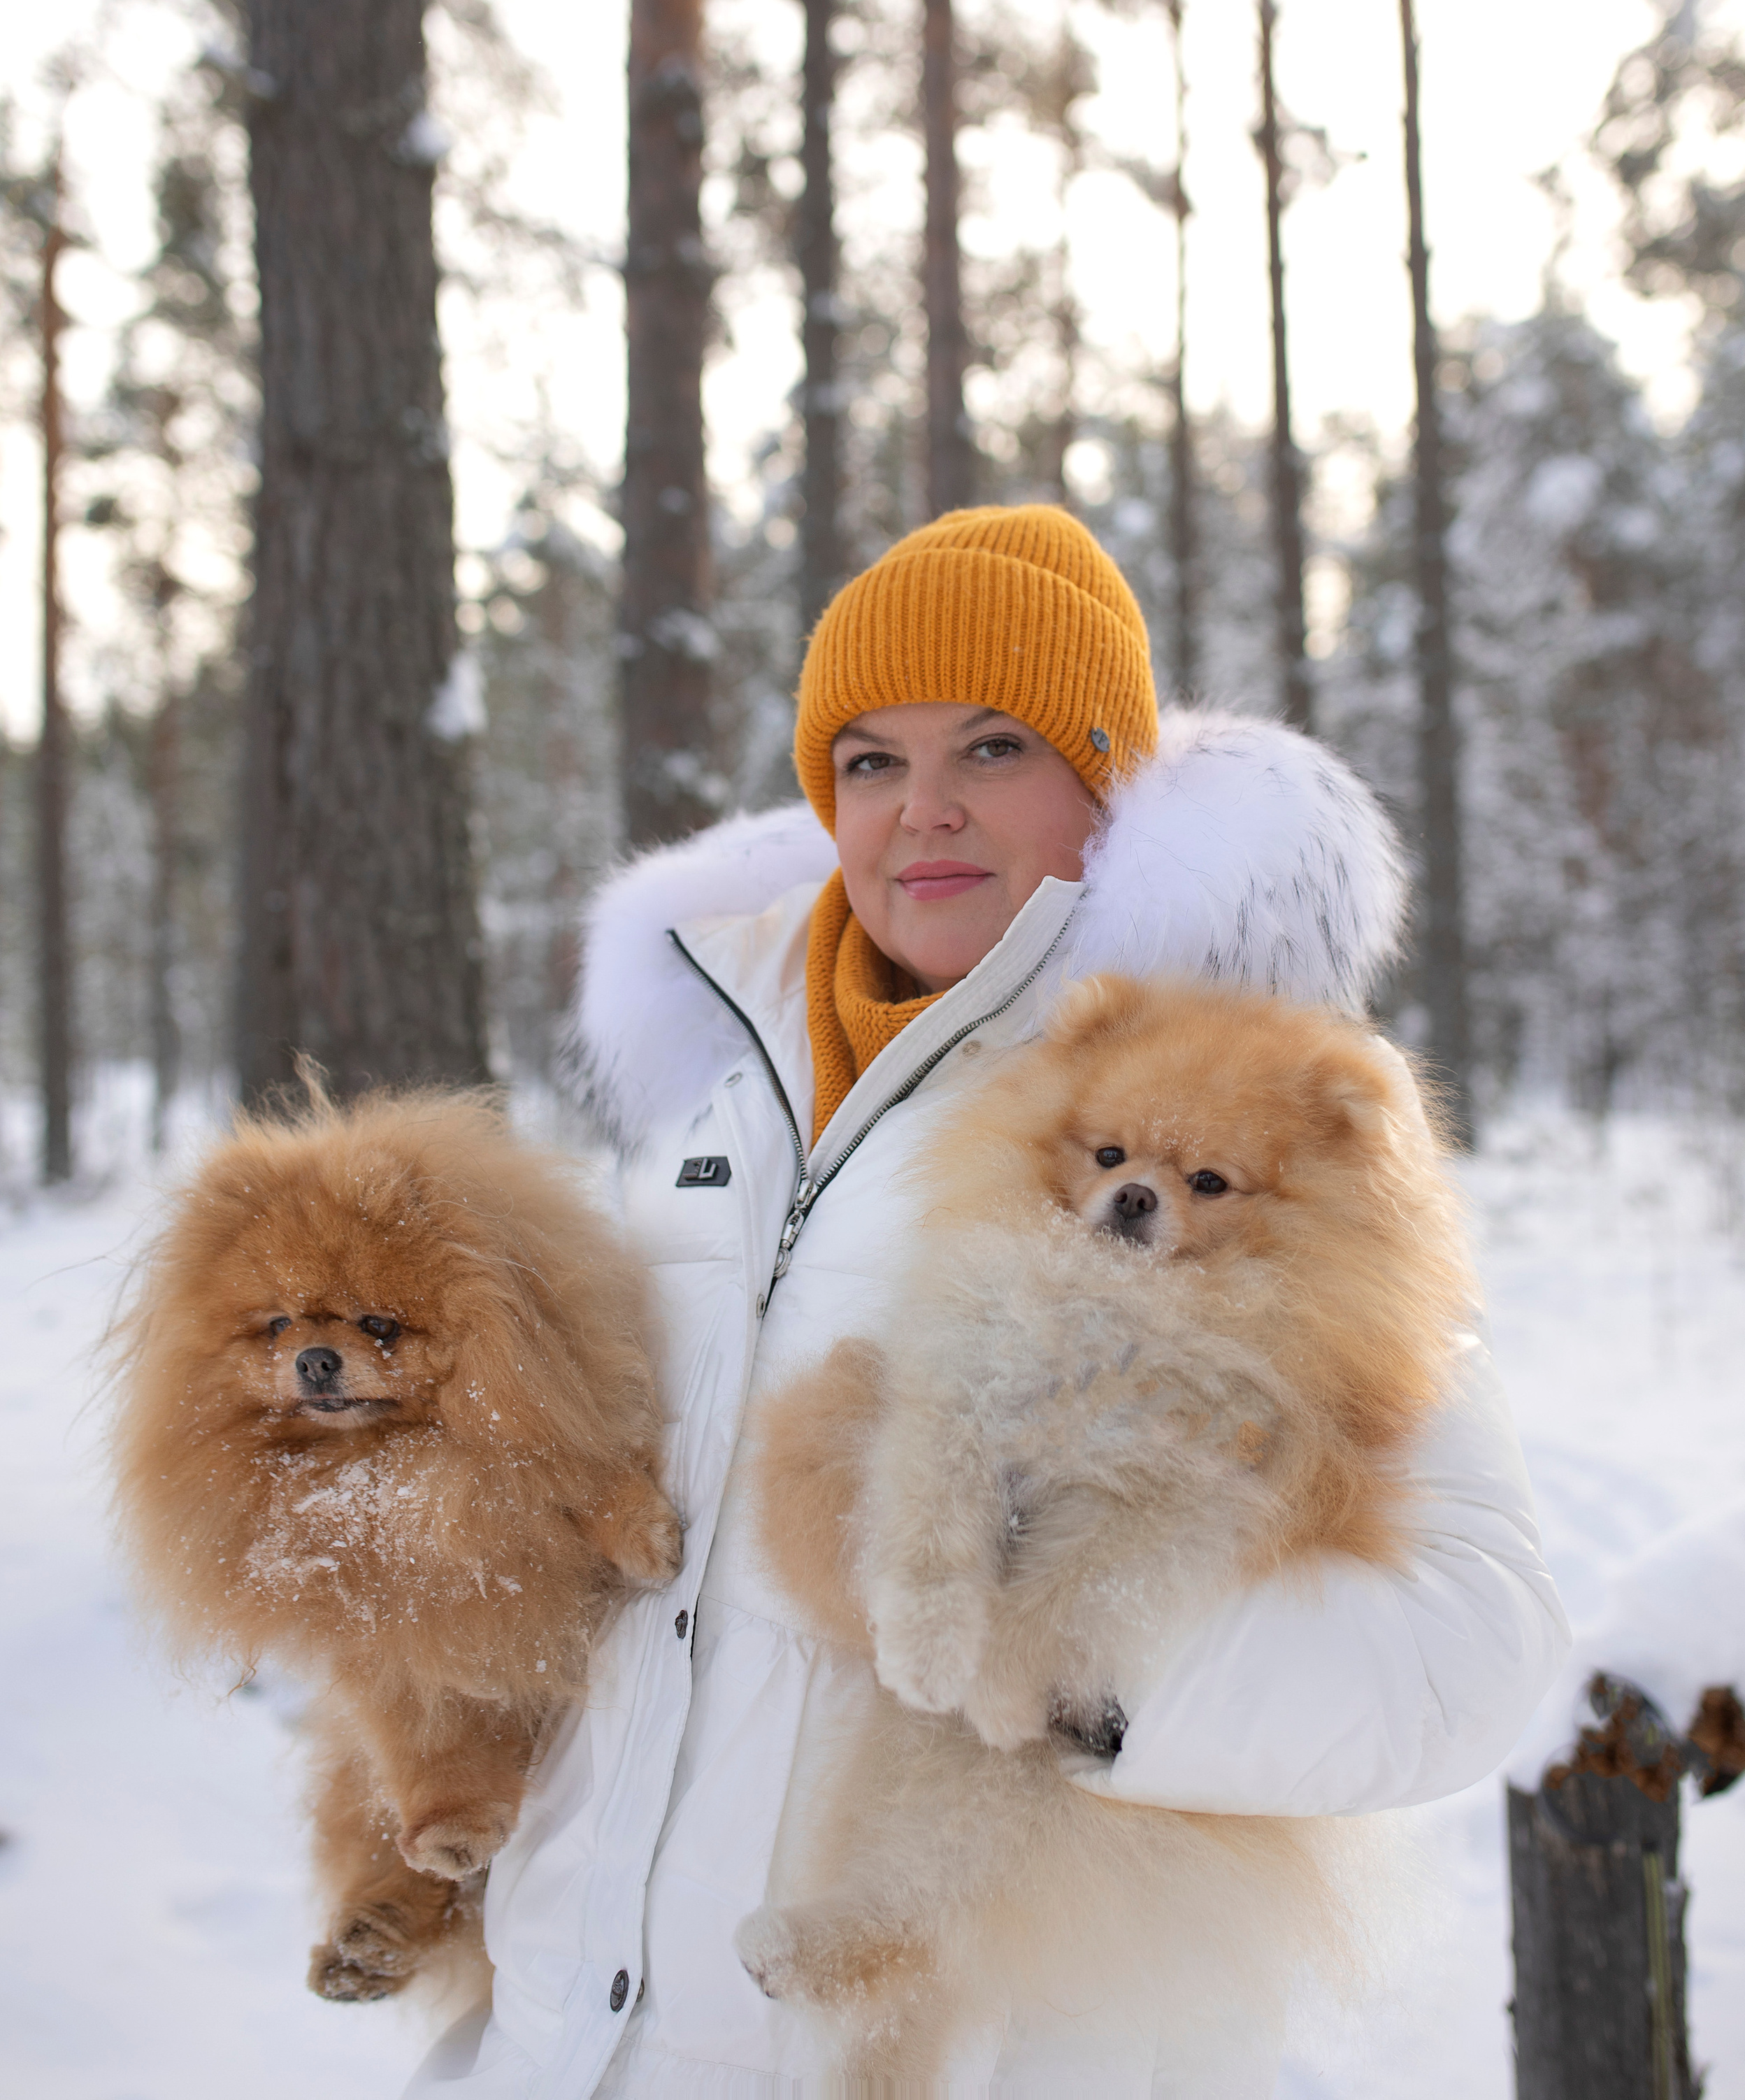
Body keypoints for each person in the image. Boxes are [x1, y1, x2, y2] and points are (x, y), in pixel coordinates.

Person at [406, 505, 1567, 2097]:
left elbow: (1466, 1653)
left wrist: (1045, 1647)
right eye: (869, 760)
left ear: (1106, 782)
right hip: (575, 2040)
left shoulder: (1222, 1124)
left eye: (995, 747)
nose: (923, 810)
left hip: (967, 2045)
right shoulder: (710, 1099)